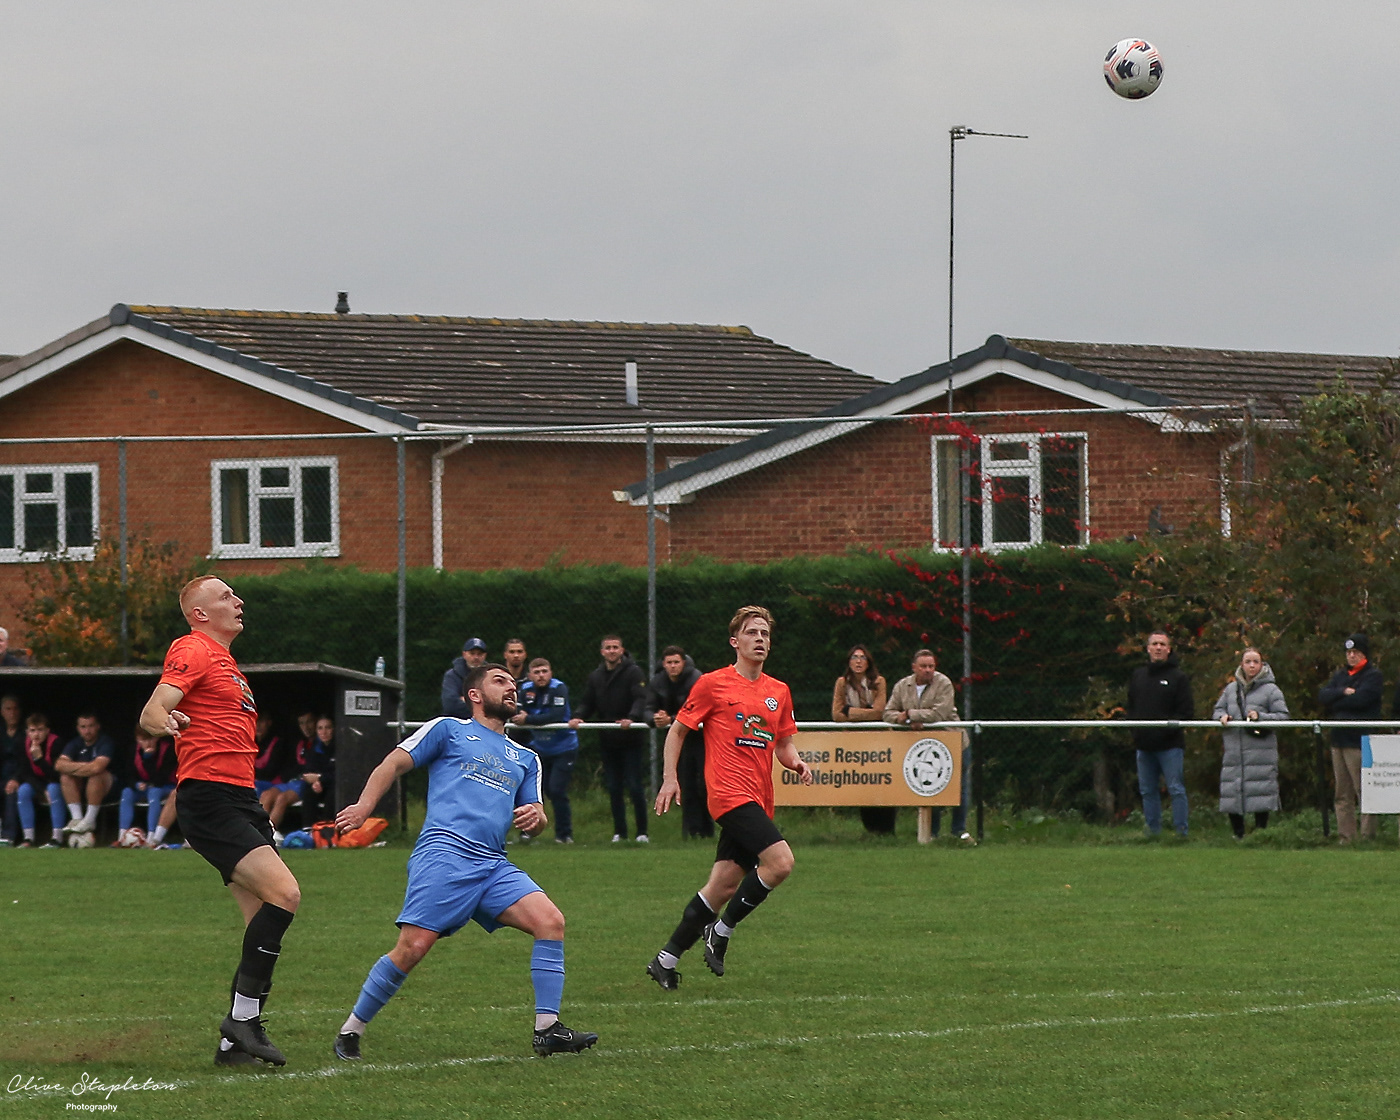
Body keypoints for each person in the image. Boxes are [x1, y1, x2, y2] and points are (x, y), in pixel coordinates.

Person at [332, 663, 598, 1060]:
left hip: (493, 864)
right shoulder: (448, 729)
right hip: (445, 852)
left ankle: (547, 1030)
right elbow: (393, 763)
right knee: (412, 948)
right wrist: (364, 806)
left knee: (550, 921)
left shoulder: (526, 757)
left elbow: (537, 817)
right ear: (474, 694)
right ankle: (351, 1030)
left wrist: (536, 820)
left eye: (513, 683)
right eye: (500, 681)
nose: (511, 688)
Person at [140, 575, 302, 1068]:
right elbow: (154, 707)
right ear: (200, 614)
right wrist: (162, 719)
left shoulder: (227, 662)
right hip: (210, 800)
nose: (240, 600)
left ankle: (233, 1046)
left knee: (262, 921)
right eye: (227, 596)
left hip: (239, 799)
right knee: (286, 894)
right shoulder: (193, 648)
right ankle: (243, 1020)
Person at [646, 606, 812, 990]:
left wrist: (797, 763)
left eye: (765, 634)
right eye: (752, 633)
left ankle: (665, 959)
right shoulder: (712, 684)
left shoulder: (778, 691)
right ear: (735, 642)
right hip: (728, 794)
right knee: (781, 862)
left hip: (759, 797)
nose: (760, 639)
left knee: (721, 886)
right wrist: (670, 779)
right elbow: (677, 731)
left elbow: (783, 745)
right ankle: (721, 930)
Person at [569, 635, 648, 843]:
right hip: (608, 739)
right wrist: (578, 716)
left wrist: (631, 718)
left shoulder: (634, 672)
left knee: (634, 785)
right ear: (602, 651)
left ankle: (642, 833)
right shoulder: (596, 676)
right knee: (613, 786)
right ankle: (619, 833)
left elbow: (641, 698)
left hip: (631, 739)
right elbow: (588, 702)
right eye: (608, 648)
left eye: (615, 647)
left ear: (622, 650)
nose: (612, 651)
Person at [885, 649, 965, 839]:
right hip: (923, 747)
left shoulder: (944, 683)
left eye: (931, 666)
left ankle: (958, 831)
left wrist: (911, 715)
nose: (928, 670)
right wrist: (902, 718)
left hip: (951, 742)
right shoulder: (903, 686)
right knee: (930, 788)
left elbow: (940, 714)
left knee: (960, 789)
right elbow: (888, 713)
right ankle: (932, 833)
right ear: (914, 667)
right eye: (923, 666)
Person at [1213, 647, 1289, 839]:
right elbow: (1217, 710)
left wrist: (1260, 717)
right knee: (1232, 789)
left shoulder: (1272, 690)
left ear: (1262, 665)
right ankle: (1237, 834)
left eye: (1256, 661)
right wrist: (1222, 716)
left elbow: (1283, 717)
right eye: (1248, 662)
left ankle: (1260, 834)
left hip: (1260, 751)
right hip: (1233, 751)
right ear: (1242, 665)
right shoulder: (1230, 689)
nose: (1252, 665)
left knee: (1260, 790)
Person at [1127, 630, 1194, 838]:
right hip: (1144, 746)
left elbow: (1186, 712)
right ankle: (1152, 833)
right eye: (1154, 644)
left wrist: (1164, 732)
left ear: (1169, 649)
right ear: (1148, 648)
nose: (1158, 648)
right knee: (1147, 791)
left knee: (1176, 789)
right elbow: (1131, 707)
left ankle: (1181, 833)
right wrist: (1136, 733)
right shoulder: (1138, 676)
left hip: (1170, 746)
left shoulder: (1178, 677)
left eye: (1162, 644)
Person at [1318, 632, 1384, 844]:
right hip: (1338, 740)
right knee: (1342, 793)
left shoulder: (1373, 676)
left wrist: (1338, 699)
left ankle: (1367, 836)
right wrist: (1343, 692)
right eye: (1348, 652)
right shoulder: (1341, 676)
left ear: (1364, 653)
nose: (1351, 656)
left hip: (1359, 741)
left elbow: (1362, 700)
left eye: (1355, 652)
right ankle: (1346, 836)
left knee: (1363, 790)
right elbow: (1323, 697)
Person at [644, 645, 711, 839]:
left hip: (701, 738)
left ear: (683, 662)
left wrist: (671, 718)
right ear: (663, 664)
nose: (672, 666)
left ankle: (707, 830)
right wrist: (655, 718)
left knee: (703, 785)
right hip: (678, 739)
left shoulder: (696, 679)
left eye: (676, 662)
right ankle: (690, 832)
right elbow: (647, 707)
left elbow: (698, 710)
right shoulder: (658, 681)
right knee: (686, 786)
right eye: (669, 663)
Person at [513, 658, 580, 843]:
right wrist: (526, 717)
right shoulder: (525, 689)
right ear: (530, 675)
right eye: (537, 672)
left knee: (556, 790)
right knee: (532, 793)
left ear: (550, 672)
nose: (541, 675)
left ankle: (564, 834)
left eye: (544, 671)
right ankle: (528, 832)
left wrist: (529, 719)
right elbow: (516, 714)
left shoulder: (558, 688)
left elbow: (556, 715)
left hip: (563, 747)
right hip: (540, 749)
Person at [831, 645, 892, 833]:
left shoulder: (879, 682)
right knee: (862, 783)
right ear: (849, 662)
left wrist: (851, 712)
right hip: (854, 742)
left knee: (882, 782)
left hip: (878, 741)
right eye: (855, 657)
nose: (858, 661)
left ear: (868, 662)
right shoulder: (842, 683)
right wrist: (865, 712)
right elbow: (836, 714)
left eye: (862, 658)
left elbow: (879, 712)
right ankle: (870, 829)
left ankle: (887, 828)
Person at [55, 712, 115, 837]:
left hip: (109, 788)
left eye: (91, 726)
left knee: (96, 776)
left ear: (98, 726)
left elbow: (97, 767)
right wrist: (87, 768)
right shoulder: (75, 743)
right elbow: (59, 765)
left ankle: (89, 820)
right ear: (78, 728)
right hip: (82, 788)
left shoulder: (105, 742)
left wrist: (73, 767)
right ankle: (77, 819)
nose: (87, 731)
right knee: (65, 777)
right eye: (83, 727)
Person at [117, 727, 178, 846]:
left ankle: (151, 836)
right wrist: (136, 784)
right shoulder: (133, 750)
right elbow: (128, 774)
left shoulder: (168, 749)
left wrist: (148, 759)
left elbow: (161, 778)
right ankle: (121, 836)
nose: (148, 743)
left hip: (165, 786)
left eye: (151, 739)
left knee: (154, 792)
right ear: (137, 739)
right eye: (143, 740)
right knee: (127, 792)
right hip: (143, 787)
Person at [15, 712, 64, 847]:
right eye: (32, 730)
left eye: (40, 730)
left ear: (47, 730)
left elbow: (57, 775)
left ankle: (57, 838)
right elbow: (25, 773)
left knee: (53, 789)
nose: (36, 735)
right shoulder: (23, 743)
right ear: (27, 732)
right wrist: (42, 790)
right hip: (37, 782)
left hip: (54, 781)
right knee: (23, 790)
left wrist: (39, 759)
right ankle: (28, 839)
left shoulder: (55, 743)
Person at [441, 638, 488, 720]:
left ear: (485, 656)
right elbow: (450, 705)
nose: (476, 657)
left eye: (479, 654)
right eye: (472, 653)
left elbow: (496, 704)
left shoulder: (490, 675)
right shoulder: (451, 675)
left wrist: (466, 700)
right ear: (464, 654)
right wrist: (482, 704)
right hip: (456, 723)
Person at [1, 694, 23, 844]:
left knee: (12, 792)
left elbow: (27, 763)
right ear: (2, 711)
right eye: (8, 709)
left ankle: (8, 837)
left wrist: (16, 779)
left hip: (20, 778)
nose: (12, 713)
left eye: (15, 709)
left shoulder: (26, 733)